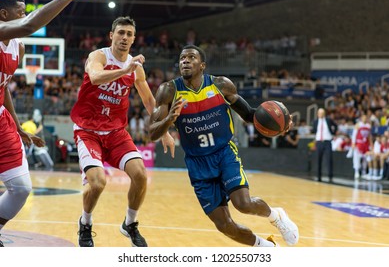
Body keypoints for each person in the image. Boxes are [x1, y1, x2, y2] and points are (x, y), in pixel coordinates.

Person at [148, 45, 299, 247]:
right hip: (197, 162)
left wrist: (280, 124)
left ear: (202, 65)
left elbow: (249, 114)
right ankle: (268, 248)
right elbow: (152, 133)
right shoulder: (169, 91)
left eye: (191, 57)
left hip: (223, 153)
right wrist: (169, 119)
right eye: (182, 57)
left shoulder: (221, 85)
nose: (185, 60)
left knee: (243, 204)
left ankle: (276, 216)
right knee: (224, 225)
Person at [70, 16, 175, 247]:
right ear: (111, 35)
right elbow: (96, 77)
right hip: (88, 131)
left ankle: (130, 223)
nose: (124, 37)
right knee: (97, 183)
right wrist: (125, 69)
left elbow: (149, 100)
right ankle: (85, 224)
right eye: (120, 33)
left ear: (134, 39)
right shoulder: (98, 56)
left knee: (140, 174)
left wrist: (164, 129)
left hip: (116, 132)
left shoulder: (136, 68)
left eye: (129, 34)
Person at [0, 0, 83, 247]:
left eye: (24, 12)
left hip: (1, 118)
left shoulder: (18, 48)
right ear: (3, 15)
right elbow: (30, 24)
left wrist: (17, 125)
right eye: (20, 12)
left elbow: (3, 87)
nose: (24, 16)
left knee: (21, 188)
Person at [312, 108, 337, 182]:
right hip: (319, 142)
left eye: (322, 113)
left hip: (327, 142)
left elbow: (335, 126)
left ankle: (330, 176)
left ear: (324, 113)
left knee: (329, 159)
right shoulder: (315, 121)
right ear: (317, 114)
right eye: (319, 113)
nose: (320, 114)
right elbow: (314, 130)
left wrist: (333, 133)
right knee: (318, 159)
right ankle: (319, 176)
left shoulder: (328, 120)